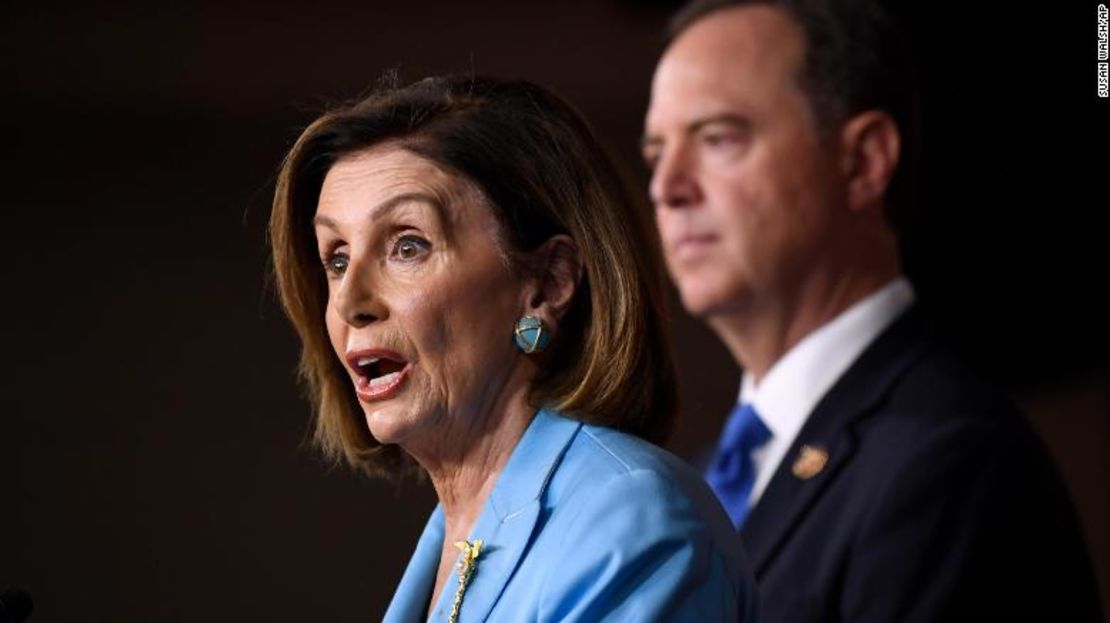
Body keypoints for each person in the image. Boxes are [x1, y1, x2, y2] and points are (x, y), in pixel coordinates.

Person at [642, 0, 1102, 621]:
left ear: (863, 161)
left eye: (718, 138)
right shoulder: (700, 481)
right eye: (655, 154)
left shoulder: (947, 463)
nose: (667, 188)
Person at [270, 75, 756, 622]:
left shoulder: (631, 516)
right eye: (336, 258)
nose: (350, 301)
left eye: (408, 246)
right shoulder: (451, 538)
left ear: (547, 283)